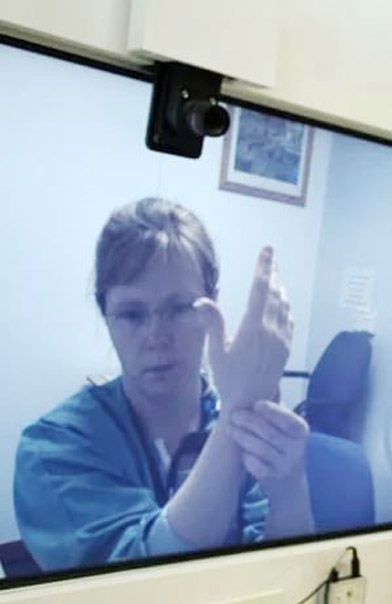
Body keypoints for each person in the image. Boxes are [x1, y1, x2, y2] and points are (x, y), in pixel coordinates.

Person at [14, 198, 313, 572]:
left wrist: (288, 488)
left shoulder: (248, 426)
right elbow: (135, 585)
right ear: (106, 316)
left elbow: (286, 573)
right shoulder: (52, 449)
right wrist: (236, 418)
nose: (157, 337)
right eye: (132, 314)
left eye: (180, 308)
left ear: (213, 305)